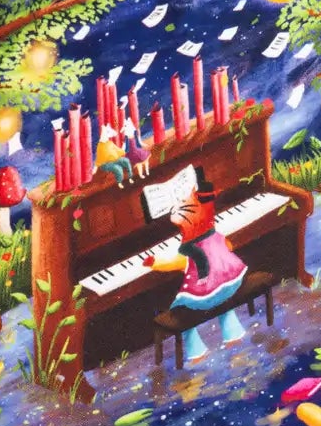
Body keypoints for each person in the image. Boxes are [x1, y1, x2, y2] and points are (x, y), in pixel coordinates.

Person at [142, 167, 248, 363]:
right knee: (222, 297)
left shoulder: (189, 248)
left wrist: (154, 263)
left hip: (206, 294)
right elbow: (229, 246)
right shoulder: (214, 235)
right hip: (232, 281)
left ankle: (196, 352)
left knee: (178, 308)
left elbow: (174, 263)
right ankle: (233, 334)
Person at [93, 122, 133, 187]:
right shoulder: (100, 146)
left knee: (126, 161)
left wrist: (124, 145)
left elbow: (118, 150)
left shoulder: (110, 143)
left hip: (115, 159)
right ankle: (119, 182)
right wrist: (95, 168)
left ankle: (130, 177)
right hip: (105, 164)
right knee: (118, 168)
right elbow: (98, 158)